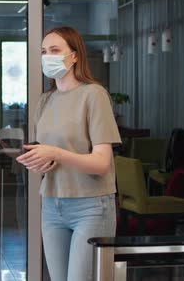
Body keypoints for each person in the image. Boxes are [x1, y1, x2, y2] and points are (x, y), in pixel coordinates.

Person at [16, 26, 121, 281]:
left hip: (91, 206)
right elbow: (51, 155)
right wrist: (40, 160)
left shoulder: (93, 95)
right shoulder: (45, 100)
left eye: (55, 50)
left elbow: (101, 163)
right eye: (43, 51)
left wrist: (57, 153)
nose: (47, 56)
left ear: (74, 56)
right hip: (52, 204)